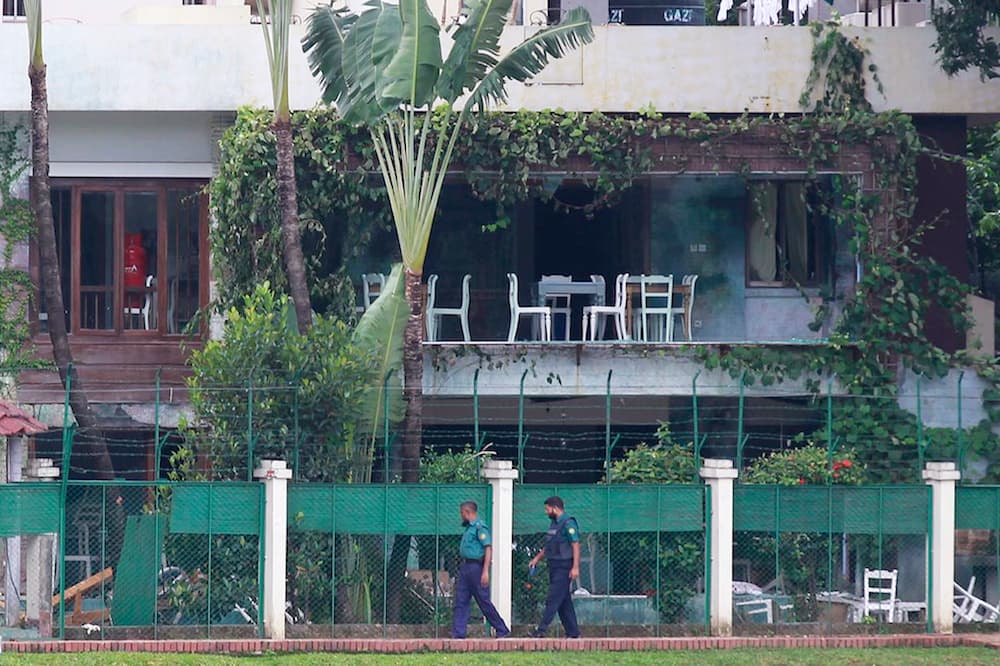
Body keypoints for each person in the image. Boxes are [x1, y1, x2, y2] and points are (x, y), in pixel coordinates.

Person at [451, 500, 511, 639]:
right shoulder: (469, 528)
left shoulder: (480, 528)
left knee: (483, 601)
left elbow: (488, 548)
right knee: (461, 600)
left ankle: (502, 629)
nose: (461, 516)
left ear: (467, 512)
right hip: (466, 567)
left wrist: (485, 571)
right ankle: (459, 634)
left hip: (476, 568)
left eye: (462, 513)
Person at [528, 496, 581, 638]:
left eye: (547, 509)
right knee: (564, 601)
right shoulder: (554, 524)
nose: (546, 512)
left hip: (564, 566)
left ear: (555, 508)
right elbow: (550, 545)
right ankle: (573, 633)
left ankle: (541, 630)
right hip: (554, 565)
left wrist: (575, 567)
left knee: (553, 598)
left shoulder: (568, 523)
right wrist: (537, 559)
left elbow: (575, 544)